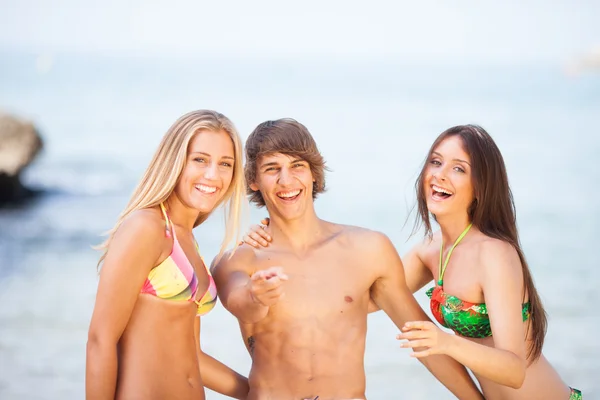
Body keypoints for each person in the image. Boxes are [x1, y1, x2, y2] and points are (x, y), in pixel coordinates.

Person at [244, 124, 583, 400]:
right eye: (435, 162)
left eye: (459, 169)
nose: (441, 175)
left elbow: (514, 369)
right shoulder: (431, 251)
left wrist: (446, 341)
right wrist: (277, 246)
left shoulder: (493, 253)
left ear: (480, 186)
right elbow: (354, 299)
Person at [212, 118, 483, 400]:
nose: (286, 180)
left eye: (297, 166)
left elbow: (424, 343)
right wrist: (258, 296)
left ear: (314, 174)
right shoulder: (236, 260)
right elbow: (241, 304)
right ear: (254, 180)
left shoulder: (368, 249)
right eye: (272, 169)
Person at [86, 110, 249, 400]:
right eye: (200, 159)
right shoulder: (146, 228)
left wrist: (261, 392)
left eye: (225, 164)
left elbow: (192, 357)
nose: (213, 175)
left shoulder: (186, 238)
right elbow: (101, 340)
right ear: (175, 160)